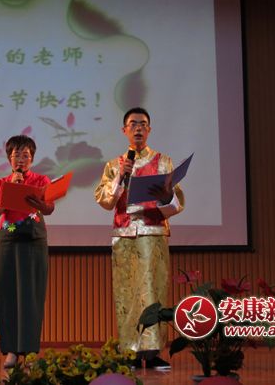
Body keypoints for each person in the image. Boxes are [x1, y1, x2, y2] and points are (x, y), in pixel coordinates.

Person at [94, 107, 185, 370]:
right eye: (133, 124)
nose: (138, 128)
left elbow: (177, 203)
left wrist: (165, 196)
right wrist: (120, 178)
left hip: (152, 233)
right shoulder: (114, 165)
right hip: (124, 235)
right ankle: (130, 351)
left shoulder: (163, 161)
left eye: (143, 124)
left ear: (149, 129)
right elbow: (105, 201)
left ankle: (152, 352)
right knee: (126, 294)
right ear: (124, 130)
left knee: (152, 291)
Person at [0, 135, 55, 369]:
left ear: (32, 159)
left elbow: (50, 208)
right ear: (9, 158)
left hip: (34, 238)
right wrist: (10, 192)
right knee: (6, 295)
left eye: (26, 155)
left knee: (31, 295)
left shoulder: (41, 180)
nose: (21, 159)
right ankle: (12, 351)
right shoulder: (0, 183)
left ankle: (30, 350)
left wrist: (40, 204)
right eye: (17, 155)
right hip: (9, 238)